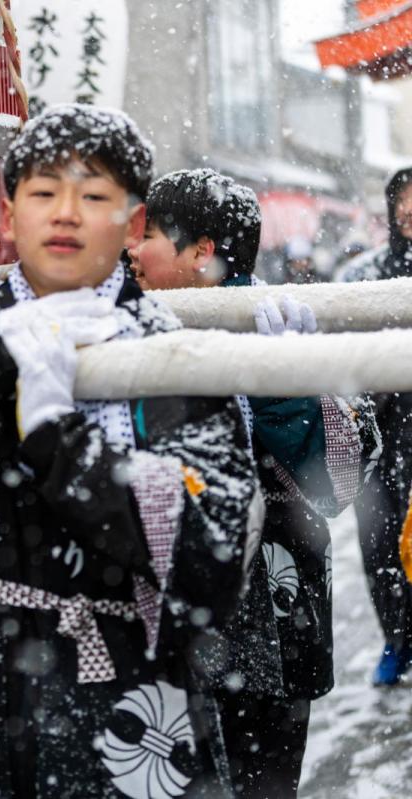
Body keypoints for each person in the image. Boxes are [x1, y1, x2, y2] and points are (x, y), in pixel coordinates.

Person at [0, 104, 259, 798]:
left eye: (92, 195)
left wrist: (54, 436)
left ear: (132, 222)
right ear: (7, 216)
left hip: (127, 697)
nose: (65, 213)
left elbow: (209, 563)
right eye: (42, 192)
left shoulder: (174, 356)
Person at [130, 168, 379, 797]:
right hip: (166, 629)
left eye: (149, 234)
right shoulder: (126, 330)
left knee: (264, 782)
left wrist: (286, 381)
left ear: (202, 252)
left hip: (273, 612)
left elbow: (339, 479)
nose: (132, 249)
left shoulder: (288, 322)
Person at [338, 167, 412, 685]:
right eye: (402, 200)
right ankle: (397, 640)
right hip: (382, 432)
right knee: (380, 542)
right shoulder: (364, 277)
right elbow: (342, 358)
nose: (409, 209)